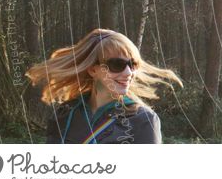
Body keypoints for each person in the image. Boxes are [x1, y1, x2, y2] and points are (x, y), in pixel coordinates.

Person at [26, 28, 182, 144]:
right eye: (117, 64)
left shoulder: (143, 120)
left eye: (132, 64)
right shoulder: (65, 114)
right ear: (93, 70)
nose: (128, 72)